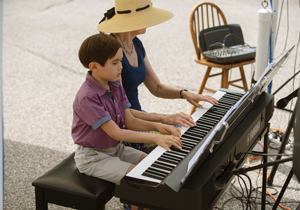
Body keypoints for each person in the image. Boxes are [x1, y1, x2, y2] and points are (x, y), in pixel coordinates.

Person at [97, 0, 218, 153]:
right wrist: (165, 118)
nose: (150, 22)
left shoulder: (136, 43)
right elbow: (125, 115)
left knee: (191, 132)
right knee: (182, 142)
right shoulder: (113, 53)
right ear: (132, 20)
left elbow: (156, 87)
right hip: (125, 127)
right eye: (146, 17)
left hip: (139, 119)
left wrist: (184, 94)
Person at [72, 33, 182, 193]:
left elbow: (129, 120)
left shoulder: (115, 84)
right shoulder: (88, 97)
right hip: (93, 158)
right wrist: (155, 137)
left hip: (116, 149)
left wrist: (158, 126)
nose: (120, 67)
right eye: (115, 63)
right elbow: (116, 133)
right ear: (94, 67)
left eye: (121, 61)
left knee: (157, 164)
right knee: (143, 178)